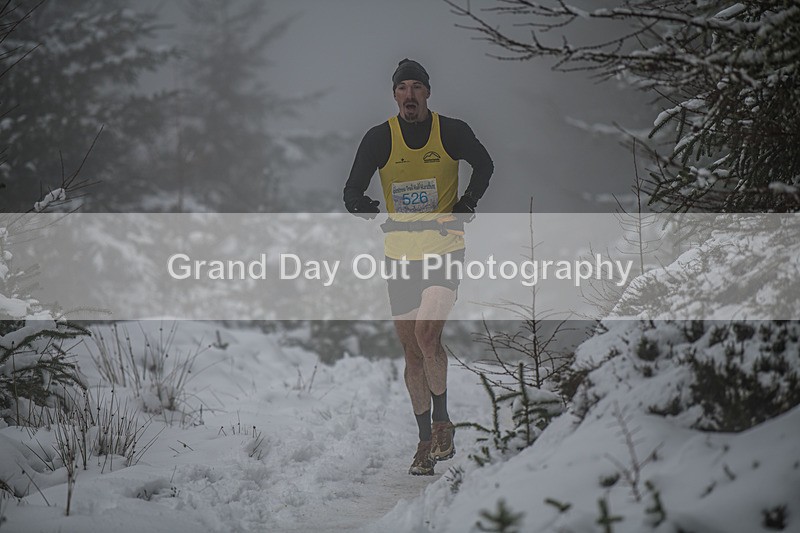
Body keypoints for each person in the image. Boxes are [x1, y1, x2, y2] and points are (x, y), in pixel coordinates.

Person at [343, 59, 494, 475]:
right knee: (411, 350)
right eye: (402, 88)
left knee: (429, 335)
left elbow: (485, 165)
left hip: (444, 247)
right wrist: (359, 203)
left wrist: (466, 204)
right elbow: (351, 188)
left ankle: (444, 422)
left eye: (416, 87)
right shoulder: (380, 138)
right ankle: (424, 442)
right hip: (399, 254)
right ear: (394, 95)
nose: (409, 95)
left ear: (428, 92)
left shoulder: (452, 131)